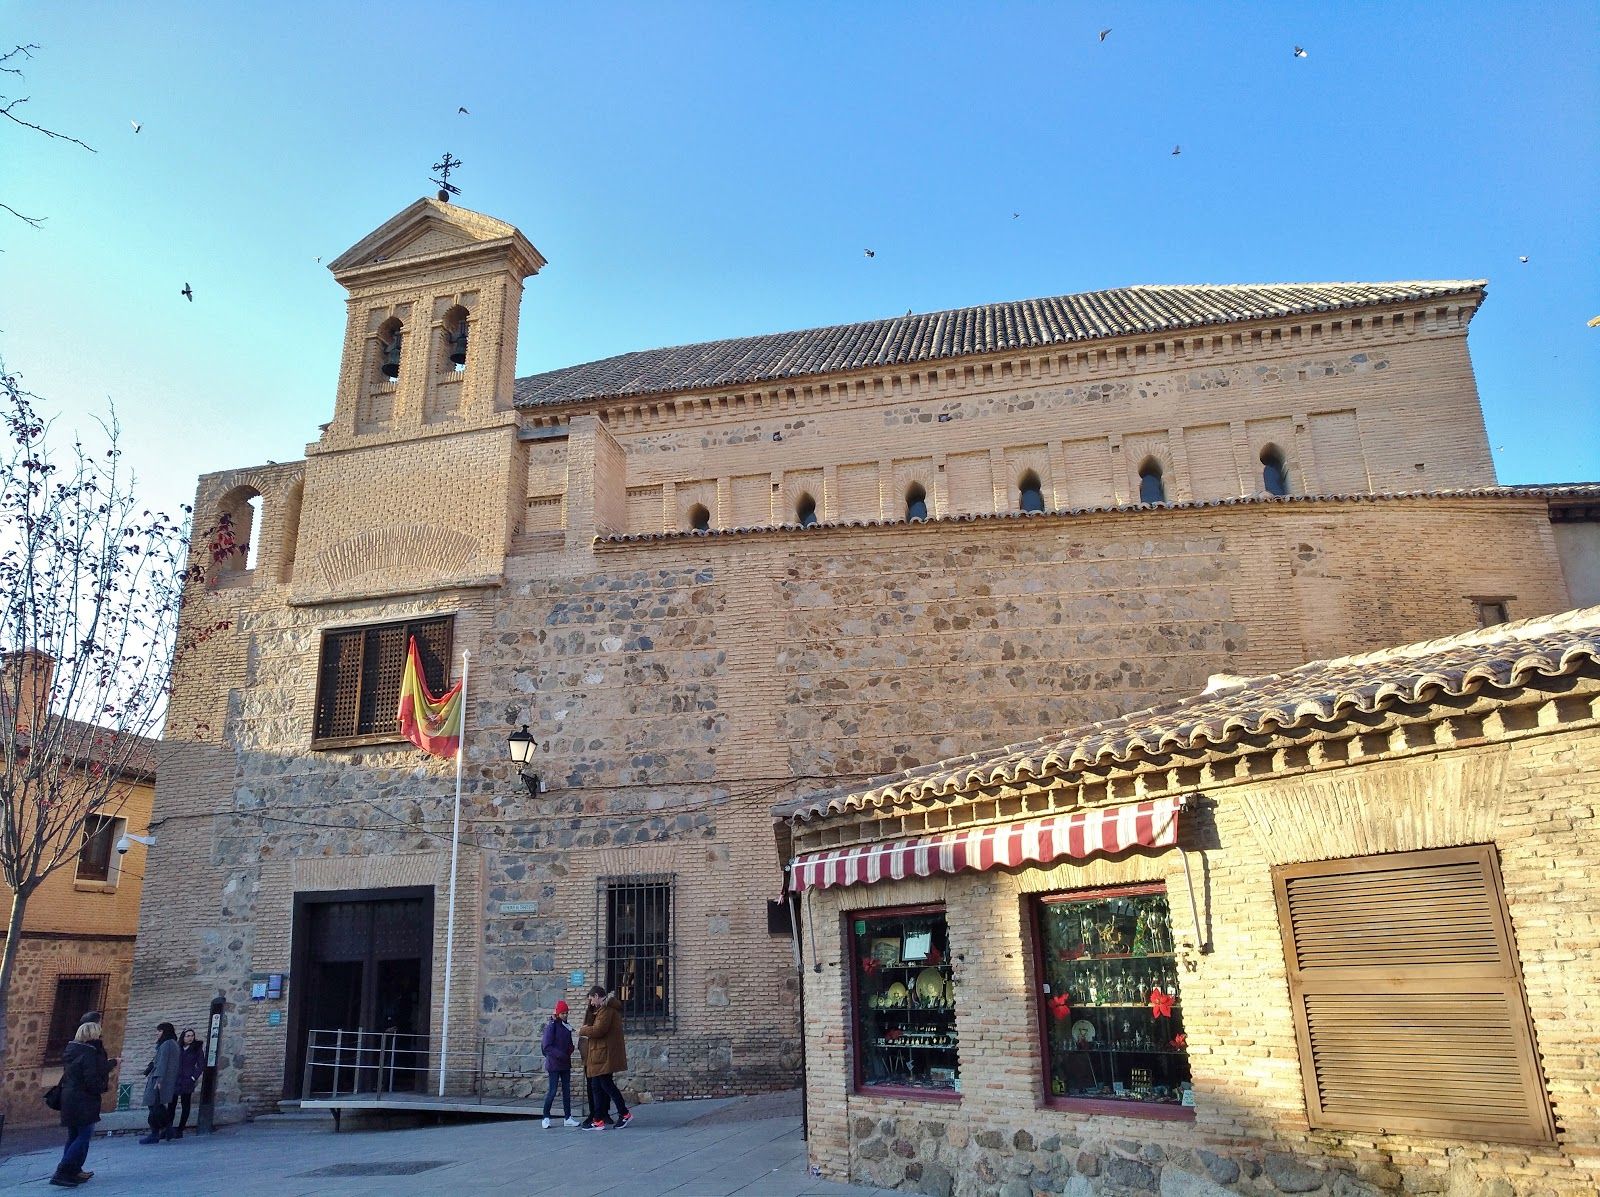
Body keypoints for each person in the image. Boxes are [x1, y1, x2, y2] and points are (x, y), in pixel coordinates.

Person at [53, 1019, 118, 1187]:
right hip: (84, 1100)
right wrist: (101, 1087)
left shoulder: (71, 1049)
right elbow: (91, 1079)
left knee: (73, 1136)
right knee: (83, 1135)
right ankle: (62, 1171)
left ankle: (72, 1171)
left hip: (69, 1097)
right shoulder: (88, 1052)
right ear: (92, 1034)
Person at [578, 986, 630, 1130]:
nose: (591, 1003)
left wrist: (582, 1030)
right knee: (597, 1085)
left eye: (591, 999)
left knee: (606, 1085)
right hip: (599, 1054)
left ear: (596, 996)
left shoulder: (606, 1011)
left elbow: (599, 1030)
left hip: (603, 1054)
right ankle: (598, 1119)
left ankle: (624, 1113)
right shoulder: (602, 1010)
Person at [539, 1000, 579, 1128]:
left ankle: (568, 1117)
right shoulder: (552, 1026)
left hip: (565, 1063)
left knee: (567, 1091)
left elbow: (568, 1041)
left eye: (566, 1013)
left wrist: (570, 1048)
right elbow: (547, 1046)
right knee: (553, 1091)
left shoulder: (566, 1026)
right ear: (557, 1013)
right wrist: (560, 1054)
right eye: (563, 1013)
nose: (565, 1015)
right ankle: (546, 1117)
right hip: (554, 1064)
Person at [139, 1023, 180, 1145]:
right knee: (158, 1106)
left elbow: (162, 1063)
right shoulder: (172, 1043)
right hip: (163, 1079)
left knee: (154, 1106)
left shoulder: (167, 1044)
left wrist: (159, 1080)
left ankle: (155, 1133)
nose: (157, 1033)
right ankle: (168, 1129)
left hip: (159, 1080)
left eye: (159, 1031)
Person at [163, 1028, 205, 1139]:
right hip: (175, 1080)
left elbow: (201, 1065)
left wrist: (193, 1077)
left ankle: (180, 1129)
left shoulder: (197, 1049)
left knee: (185, 1105)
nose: (190, 1038)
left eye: (192, 1035)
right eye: (188, 1036)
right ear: (183, 1036)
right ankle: (168, 1128)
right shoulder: (178, 1048)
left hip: (187, 1080)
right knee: (171, 1105)